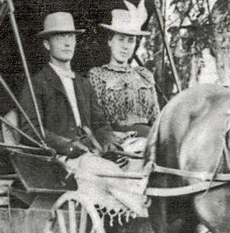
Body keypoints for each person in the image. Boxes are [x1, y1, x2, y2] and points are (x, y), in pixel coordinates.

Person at [18, 11, 146, 219]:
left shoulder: (82, 83)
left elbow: (100, 123)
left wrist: (109, 143)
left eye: (71, 37)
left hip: (90, 152)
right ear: (47, 44)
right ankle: (142, 212)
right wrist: (68, 146)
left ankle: (138, 210)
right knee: (104, 170)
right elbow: (30, 131)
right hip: (59, 161)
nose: (68, 43)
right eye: (60, 37)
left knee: (138, 159)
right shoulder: (37, 84)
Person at [87, 0, 160, 161]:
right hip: (115, 142)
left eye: (130, 40)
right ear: (109, 41)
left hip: (150, 139)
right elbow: (96, 120)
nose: (125, 46)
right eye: (120, 39)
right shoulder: (97, 75)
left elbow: (157, 117)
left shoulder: (145, 75)